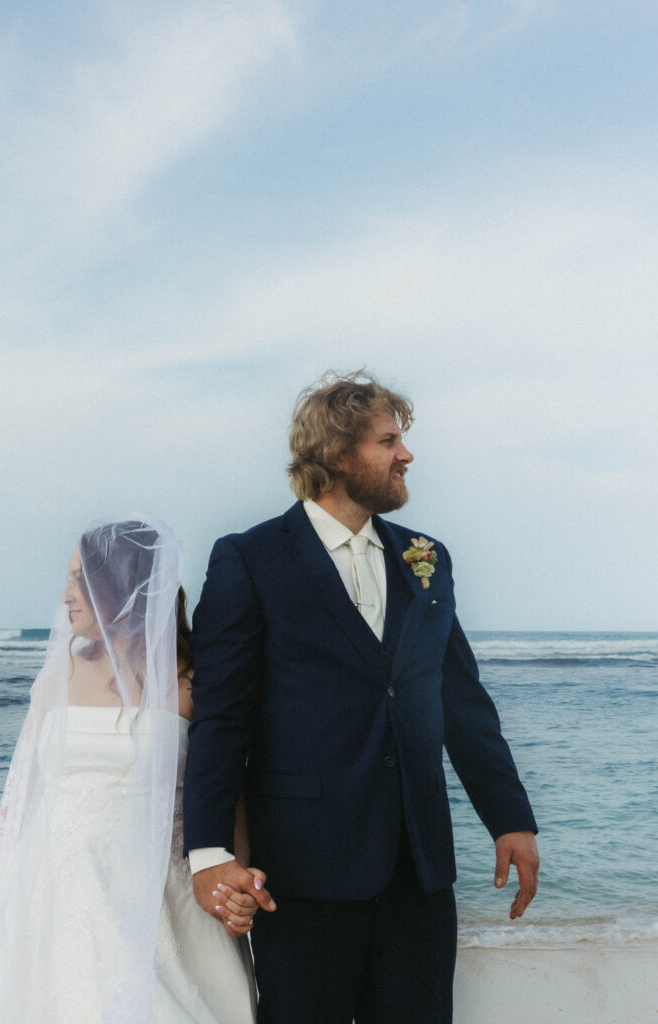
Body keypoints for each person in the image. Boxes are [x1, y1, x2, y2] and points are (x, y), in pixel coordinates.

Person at [183, 373, 540, 1024]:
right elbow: (222, 715)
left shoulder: (425, 557)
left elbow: (460, 698)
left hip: (420, 869)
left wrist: (510, 818)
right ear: (338, 453)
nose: (406, 456)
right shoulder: (250, 559)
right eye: (389, 441)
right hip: (304, 869)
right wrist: (209, 853)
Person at [0, 518, 258, 1024]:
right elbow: (19, 798)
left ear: (122, 586)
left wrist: (233, 887)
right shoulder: (57, 677)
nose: (65, 596)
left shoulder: (195, 684)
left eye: (78, 580)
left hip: (156, 898)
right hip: (48, 893)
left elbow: (225, 792)